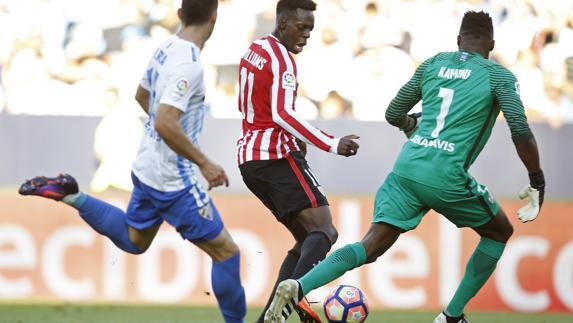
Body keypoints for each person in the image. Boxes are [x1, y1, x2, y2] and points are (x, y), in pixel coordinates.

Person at [264, 11, 545, 323]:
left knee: (369, 246)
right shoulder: (499, 76)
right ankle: (451, 317)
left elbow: (394, 112)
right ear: (491, 44)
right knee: (499, 232)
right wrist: (536, 178)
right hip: (445, 173)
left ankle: (299, 285)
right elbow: (519, 129)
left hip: (407, 167)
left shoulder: (434, 63)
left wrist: (411, 124)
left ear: (457, 41)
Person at [18, 1, 246, 322]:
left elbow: (142, 95)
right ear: (215, 18)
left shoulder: (166, 48)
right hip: (173, 179)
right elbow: (167, 122)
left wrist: (160, 137)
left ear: (180, 15)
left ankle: (71, 194)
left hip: (145, 167)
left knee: (134, 240)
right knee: (227, 254)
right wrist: (204, 162)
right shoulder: (191, 65)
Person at [235, 0, 360, 322]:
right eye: (301, 28)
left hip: (250, 159)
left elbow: (256, 106)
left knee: (308, 239)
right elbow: (281, 113)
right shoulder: (282, 60)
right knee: (326, 232)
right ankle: (297, 295)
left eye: (310, 30)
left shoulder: (255, 49)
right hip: (274, 156)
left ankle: (271, 316)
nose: (305, 36)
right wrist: (331, 143)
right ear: (284, 22)